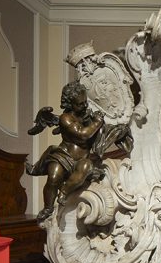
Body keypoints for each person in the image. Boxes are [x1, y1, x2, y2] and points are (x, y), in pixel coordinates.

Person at [27, 82, 105, 222]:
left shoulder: (86, 115)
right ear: (70, 104)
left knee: (86, 167)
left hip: (81, 159)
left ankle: (64, 192)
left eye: (85, 102)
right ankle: (48, 207)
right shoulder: (66, 118)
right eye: (80, 104)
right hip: (64, 156)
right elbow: (83, 134)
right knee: (53, 177)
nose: (85, 106)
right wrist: (97, 122)